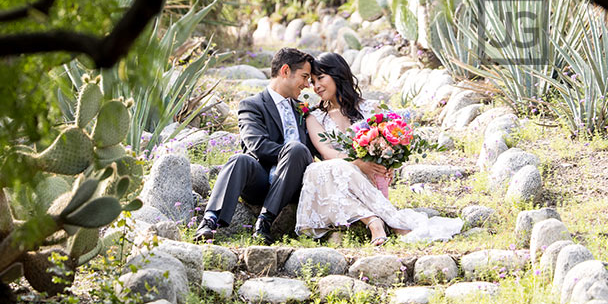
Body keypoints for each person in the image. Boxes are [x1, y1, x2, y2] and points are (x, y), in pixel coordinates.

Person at [296, 52, 463, 245]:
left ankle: (390, 221)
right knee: (317, 168)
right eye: (313, 81)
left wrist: (388, 162)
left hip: (371, 177)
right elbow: (327, 152)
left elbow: (393, 141)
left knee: (334, 168)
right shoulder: (315, 116)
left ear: (337, 74)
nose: (316, 87)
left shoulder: (370, 109)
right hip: (338, 176)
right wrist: (358, 163)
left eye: (321, 78)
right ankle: (374, 222)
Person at [194, 48, 316, 245]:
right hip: (261, 179)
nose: (307, 84)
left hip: (296, 181)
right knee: (239, 159)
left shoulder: (303, 109)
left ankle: (264, 222)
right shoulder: (252, 105)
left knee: (297, 149)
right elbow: (256, 145)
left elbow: (318, 145)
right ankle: (209, 221)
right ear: (285, 71)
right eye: (304, 77)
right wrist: (288, 154)